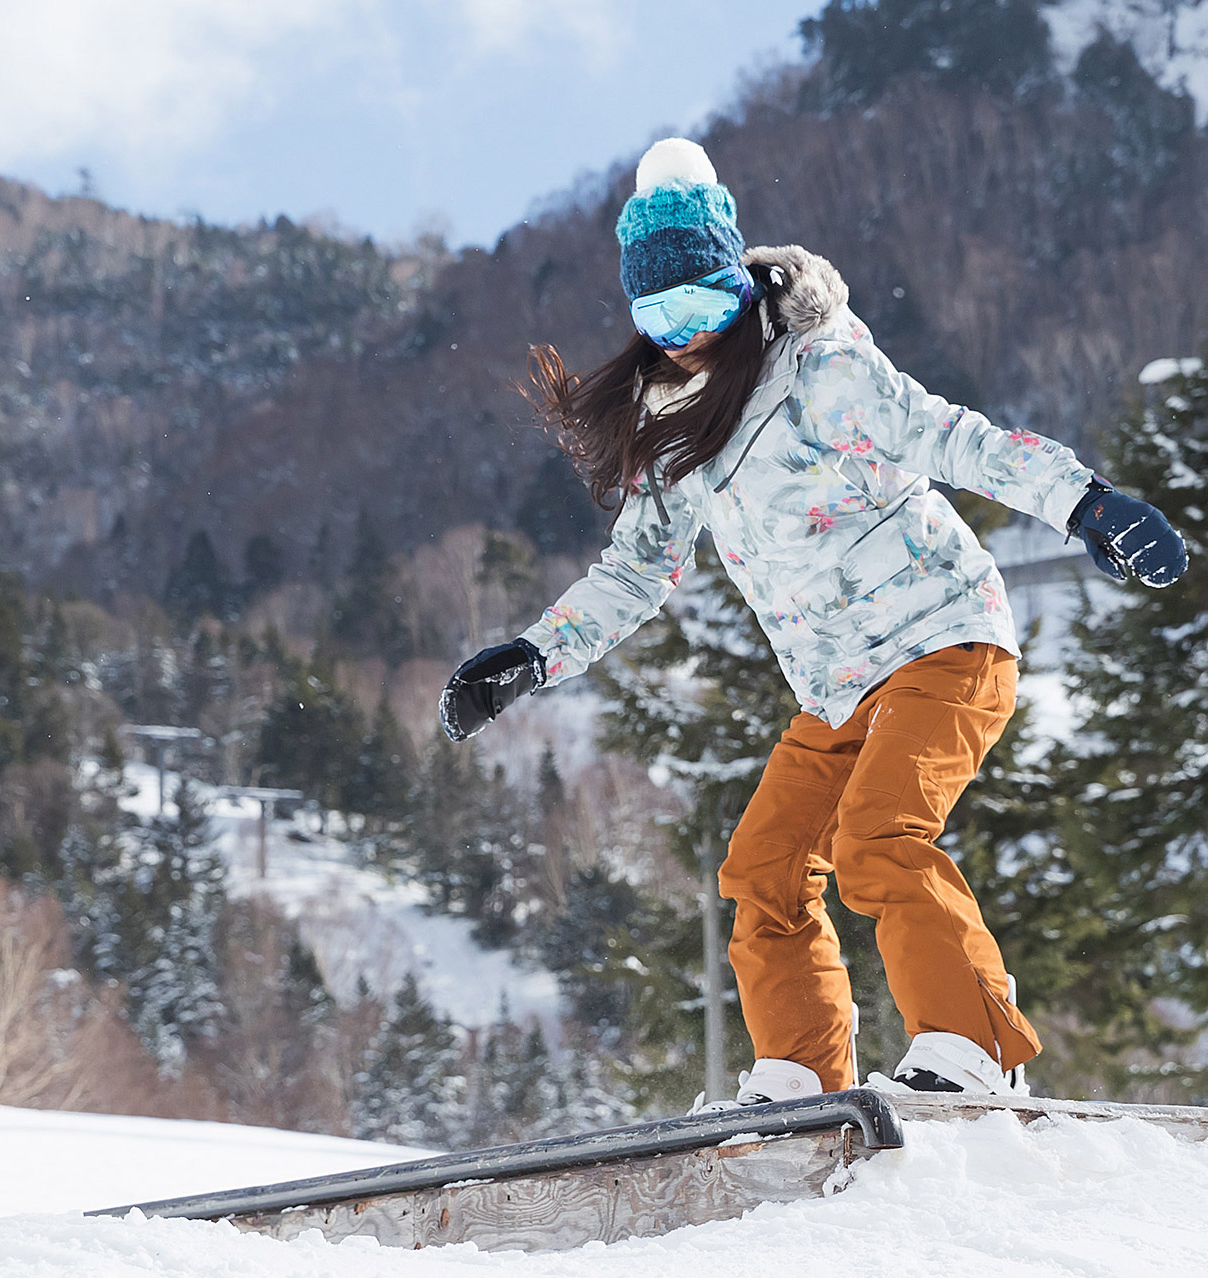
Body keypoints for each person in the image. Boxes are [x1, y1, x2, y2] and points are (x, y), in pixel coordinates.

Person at [438, 138, 1188, 1101]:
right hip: (837, 686)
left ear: (741, 287)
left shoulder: (822, 369)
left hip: (944, 639)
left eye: (705, 305)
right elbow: (633, 572)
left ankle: (973, 1051)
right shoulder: (669, 428)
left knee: (879, 839)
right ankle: (799, 1078)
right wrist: (531, 656)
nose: (685, 334)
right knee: (762, 869)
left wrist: (1086, 503)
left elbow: (955, 438)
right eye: (658, 315)